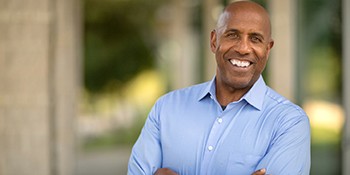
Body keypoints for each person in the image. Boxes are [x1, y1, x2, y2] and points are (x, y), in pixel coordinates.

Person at [128, 1, 310, 175]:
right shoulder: (166, 109)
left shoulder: (289, 122)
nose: (243, 48)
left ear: (267, 49)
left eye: (255, 39)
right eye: (233, 35)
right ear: (214, 41)